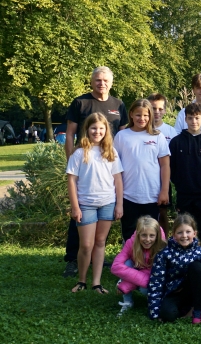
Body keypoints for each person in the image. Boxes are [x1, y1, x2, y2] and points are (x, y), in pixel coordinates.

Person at [62, 66, 128, 278]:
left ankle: (96, 257)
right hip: (85, 164)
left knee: (102, 223)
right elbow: (70, 133)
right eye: (98, 80)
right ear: (92, 82)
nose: (102, 83)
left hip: (108, 165)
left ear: (111, 82)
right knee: (79, 217)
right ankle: (73, 259)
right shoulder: (80, 102)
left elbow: (123, 135)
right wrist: (74, 161)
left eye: (105, 80)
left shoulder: (118, 105)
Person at [66, 113, 124, 294]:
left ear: (106, 130)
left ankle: (96, 282)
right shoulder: (79, 152)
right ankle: (82, 280)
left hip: (107, 202)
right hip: (86, 204)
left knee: (100, 242)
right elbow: (71, 181)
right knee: (86, 245)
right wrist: (75, 206)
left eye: (101, 128)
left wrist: (119, 204)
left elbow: (118, 180)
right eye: (93, 128)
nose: (97, 132)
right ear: (87, 130)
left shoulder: (110, 151)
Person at [114, 100, 170, 241]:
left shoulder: (157, 136)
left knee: (151, 235)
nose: (142, 118)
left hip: (152, 195)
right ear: (131, 114)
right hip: (128, 195)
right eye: (138, 115)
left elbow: (165, 165)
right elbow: (115, 168)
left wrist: (164, 191)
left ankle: (150, 262)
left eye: (146, 115)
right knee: (130, 234)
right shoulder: (122, 136)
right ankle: (130, 261)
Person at [148, 214, 201, 324]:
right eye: (180, 232)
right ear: (173, 235)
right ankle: (184, 310)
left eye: (188, 232)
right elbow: (156, 282)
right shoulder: (164, 254)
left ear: (195, 233)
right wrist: (155, 312)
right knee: (168, 315)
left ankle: (197, 311)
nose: (184, 236)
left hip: (195, 293)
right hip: (173, 293)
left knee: (196, 267)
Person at [169, 103, 201, 249]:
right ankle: (185, 252)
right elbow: (172, 168)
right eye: (190, 118)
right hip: (184, 194)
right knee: (185, 226)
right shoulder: (176, 142)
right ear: (185, 119)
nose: (194, 121)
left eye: (197, 118)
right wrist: (180, 183)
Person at [112, 216, 166, 315]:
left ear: (157, 235)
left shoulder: (162, 246)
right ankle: (127, 302)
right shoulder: (131, 243)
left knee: (145, 289)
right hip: (138, 269)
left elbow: (154, 274)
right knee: (126, 263)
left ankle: (152, 300)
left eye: (152, 235)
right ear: (138, 234)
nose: (147, 239)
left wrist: (126, 284)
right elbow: (115, 266)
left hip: (154, 276)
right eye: (144, 235)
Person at [147, 93, 179, 232]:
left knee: (162, 214)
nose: (157, 112)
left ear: (165, 110)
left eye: (160, 109)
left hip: (163, 179)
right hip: (145, 179)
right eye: (153, 108)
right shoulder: (141, 129)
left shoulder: (171, 132)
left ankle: (163, 244)